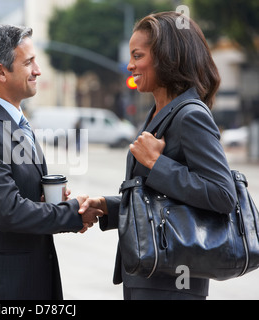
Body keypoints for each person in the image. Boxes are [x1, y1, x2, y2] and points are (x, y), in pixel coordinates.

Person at [79, 12, 236, 300]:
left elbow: (223, 195)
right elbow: (157, 200)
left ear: (167, 57)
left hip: (174, 283)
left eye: (138, 55)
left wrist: (156, 163)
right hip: (151, 275)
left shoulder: (190, 115)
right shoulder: (160, 112)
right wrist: (107, 207)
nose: (130, 65)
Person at [0, 24, 102, 300]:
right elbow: (7, 211)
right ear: (0, 72)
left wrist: (47, 199)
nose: (38, 70)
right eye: (29, 62)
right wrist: (71, 213)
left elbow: (19, 194)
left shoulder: (16, 123)